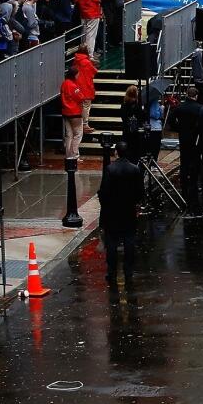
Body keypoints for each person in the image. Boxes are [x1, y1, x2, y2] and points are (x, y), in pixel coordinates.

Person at [97, 141, 144, 288]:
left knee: (111, 242)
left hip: (112, 211)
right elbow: (140, 192)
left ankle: (112, 272)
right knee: (129, 240)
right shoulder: (135, 169)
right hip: (128, 210)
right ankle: (128, 270)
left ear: (116, 152)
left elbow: (104, 192)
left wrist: (105, 206)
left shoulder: (110, 169)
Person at [168, 86, 203, 210]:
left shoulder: (180, 108)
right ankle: (193, 177)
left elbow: (171, 120)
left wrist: (179, 128)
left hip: (183, 136)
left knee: (184, 158)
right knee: (195, 158)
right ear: (196, 95)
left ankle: (184, 176)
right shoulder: (199, 108)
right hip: (195, 137)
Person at [60, 66, 85, 160]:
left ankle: (68, 155)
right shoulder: (73, 85)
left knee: (69, 134)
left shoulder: (64, 83)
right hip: (75, 112)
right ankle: (74, 155)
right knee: (78, 134)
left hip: (66, 112)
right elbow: (81, 97)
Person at [72, 46, 98, 135]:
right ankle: (85, 124)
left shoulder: (75, 61)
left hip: (77, 88)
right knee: (86, 106)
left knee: (80, 106)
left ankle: (80, 124)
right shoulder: (87, 62)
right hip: (86, 87)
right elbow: (94, 71)